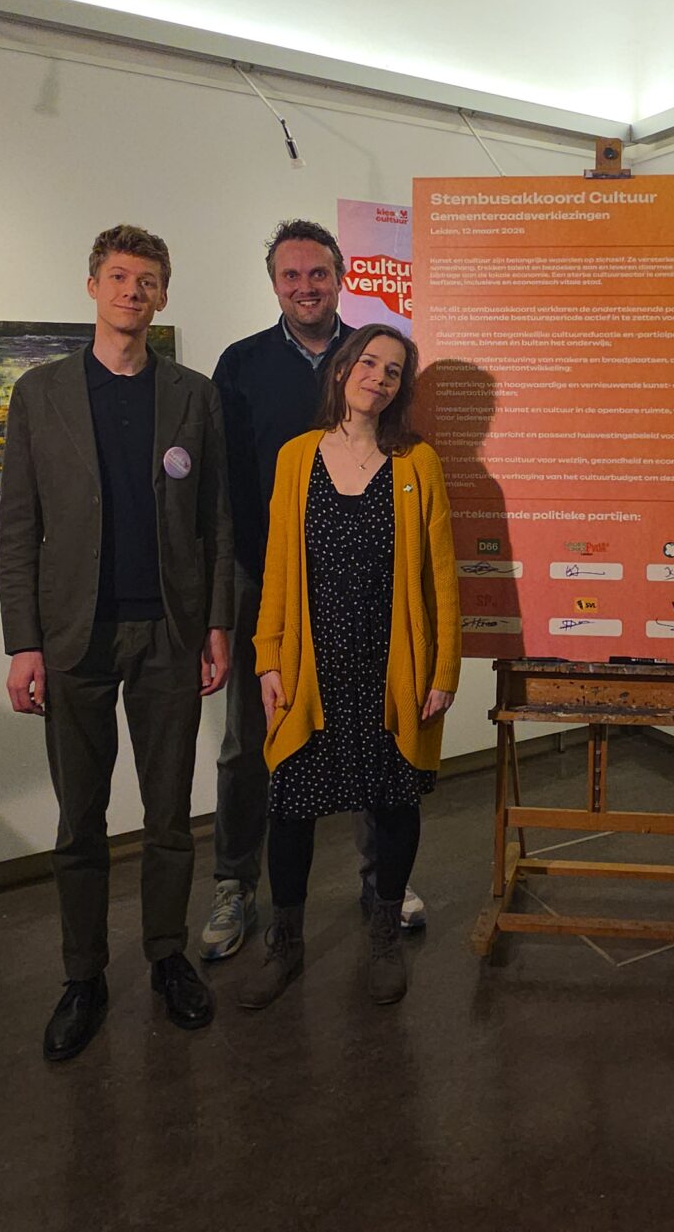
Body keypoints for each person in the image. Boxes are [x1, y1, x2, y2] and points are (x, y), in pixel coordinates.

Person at [0, 224, 233, 1058]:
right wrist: (23, 642)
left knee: (169, 813)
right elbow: (18, 527)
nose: (134, 291)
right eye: (120, 276)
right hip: (75, 634)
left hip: (170, 628)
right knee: (80, 819)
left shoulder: (193, 395)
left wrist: (216, 622)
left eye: (148, 280)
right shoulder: (42, 394)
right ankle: (83, 974)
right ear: (93, 285)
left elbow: (216, 519)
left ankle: (167, 955)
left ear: (163, 294)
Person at [204, 219, 426, 963]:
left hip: (365, 580)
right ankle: (235, 882)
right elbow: (223, 483)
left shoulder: (371, 353)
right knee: (252, 739)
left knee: (372, 727)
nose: (305, 286)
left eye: (318, 273)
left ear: (340, 277)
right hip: (264, 574)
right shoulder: (240, 364)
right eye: (291, 275)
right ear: (274, 283)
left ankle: (379, 881)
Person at [236, 326, 459, 1010]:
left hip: (393, 664)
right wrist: (268, 657)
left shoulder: (418, 462)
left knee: (393, 800)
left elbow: (441, 575)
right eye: (369, 362)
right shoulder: (298, 456)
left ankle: (384, 934)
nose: (379, 378)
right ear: (342, 370)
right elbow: (277, 566)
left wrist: (443, 670)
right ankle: (286, 941)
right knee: (291, 804)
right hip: (313, 662)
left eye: (394, 371)